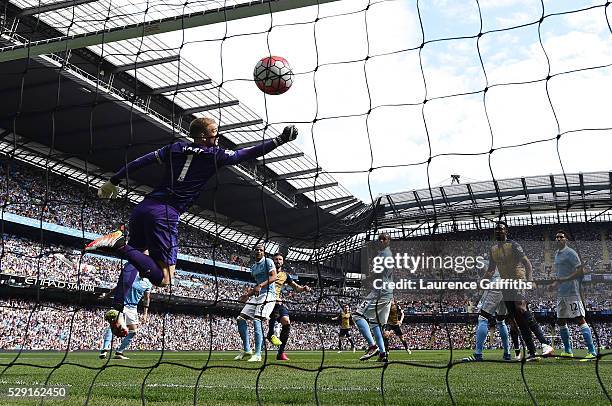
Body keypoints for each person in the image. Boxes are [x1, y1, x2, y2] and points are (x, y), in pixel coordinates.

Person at [84, 118, 296, 327]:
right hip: (165, 215)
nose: (218, 135)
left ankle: (118, 308)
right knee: (164, 278)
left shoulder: (175, 148)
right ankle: (118, 243)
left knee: (137, 258)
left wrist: (114, 180)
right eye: (214, 131)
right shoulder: (215, 155)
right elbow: (247, 154)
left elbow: (141, 161)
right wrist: (279, 140)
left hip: (143, 208)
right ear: (203, 136)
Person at [482, 221, 553, 361]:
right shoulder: (493, 249)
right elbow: (491, 269)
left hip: (519, 279)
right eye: (496, 230)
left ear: (506, 231)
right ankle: (532, 352)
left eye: (501, 229)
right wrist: (482, 281)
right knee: (517, 320)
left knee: (521, 308)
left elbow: (527, 263)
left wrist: (530, 280)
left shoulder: (514, 245)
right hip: (506, 284)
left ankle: (545, 343)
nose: (498, 231)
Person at [552, 230, 597, 361]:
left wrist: (565, 278)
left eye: (561, 237)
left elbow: (580, 270)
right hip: (561, 292)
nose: (558, 239)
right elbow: (561, 274)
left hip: (572, 291)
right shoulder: (556, 254)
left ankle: (592, 351)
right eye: (556, 237)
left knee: (579, 318)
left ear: (565, 239)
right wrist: (555, 283)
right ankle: (567, 351)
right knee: (560, 320)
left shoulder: (570, 253)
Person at [354, 232, 394, 363]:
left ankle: (372, 346)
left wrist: (366, 279)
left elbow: (377, 273)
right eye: (380, 239)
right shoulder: (388, 253)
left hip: (380, 292)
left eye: (384, 239)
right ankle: (383, 354)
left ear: (389, 241)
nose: (381, 241)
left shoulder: (383, 254)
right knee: (375, 323)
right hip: (388, 293)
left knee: (357, 315)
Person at [234, 243, 277, 362]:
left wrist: (260, 285)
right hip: (258, 296)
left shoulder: (268, 262)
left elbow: (274, 277)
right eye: (257, 250)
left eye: (261, 250)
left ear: (264, 252)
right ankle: (247, 349)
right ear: (254, 252)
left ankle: (258, 354)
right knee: (240, 318)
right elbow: (257, 288)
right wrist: (247, 295)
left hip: (268, 295)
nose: (258, 251)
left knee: (257, 320)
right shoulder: (253, 267)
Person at [99, 264, 151, 360]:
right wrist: (107, 295)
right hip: (121, 304)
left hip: (133, 308)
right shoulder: (132, 276)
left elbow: (146, 298)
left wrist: (145, 313)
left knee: (133, 331)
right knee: (114, 325)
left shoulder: (148, 283)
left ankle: (119, 352)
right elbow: (118, 287)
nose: (147, 273)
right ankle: (105, 349)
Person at [266, 252, 311, 361]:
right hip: (267, 301)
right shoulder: (266, 272)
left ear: (283, 261)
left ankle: (280, 353)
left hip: (277, 301)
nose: (278, 261)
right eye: (276, 259)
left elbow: (296, 288)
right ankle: (270, 333)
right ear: (272, 261)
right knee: (276, 309)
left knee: (286, 321)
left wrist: (304, 288)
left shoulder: (285, 275)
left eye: (280, 259)